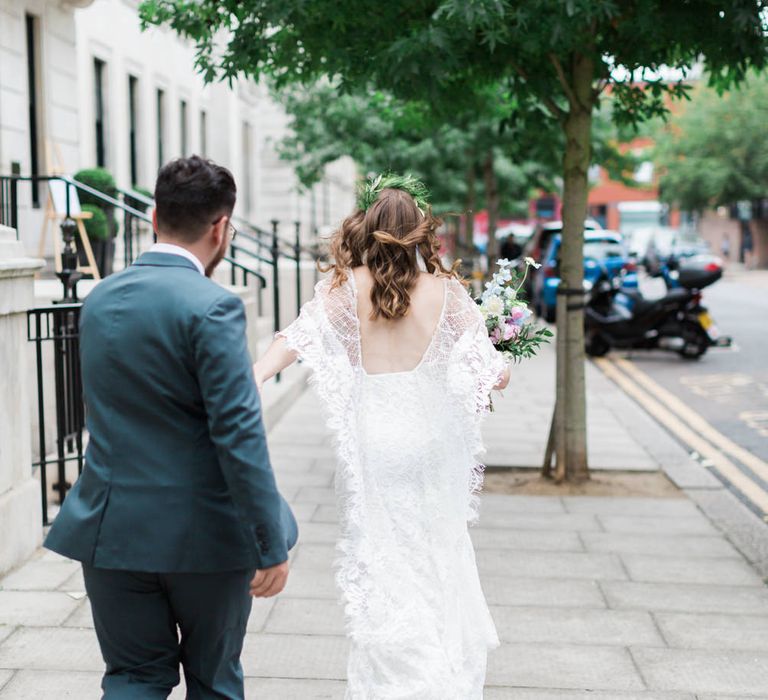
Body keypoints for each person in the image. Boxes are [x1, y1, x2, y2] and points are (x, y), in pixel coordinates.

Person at [45, 156, 298, 699]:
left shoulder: (99, 299)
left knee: (134, 678)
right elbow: (238, 435)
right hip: (203, 539)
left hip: (111, 533)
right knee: (214, 681)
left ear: (155, 215)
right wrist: (268, 541)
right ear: (221, 227)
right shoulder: (214, 308)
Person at [254, 173, 510, 699]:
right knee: (436, 556)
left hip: (378, 445)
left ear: (366, 229)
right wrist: (503, 360)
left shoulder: (346, 290)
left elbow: (294, 340)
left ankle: (394, 678)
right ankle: (439, 678)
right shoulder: (448, 292)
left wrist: (252, 376)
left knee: (388, 561)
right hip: (431, 445)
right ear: (421, 233)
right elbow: (491, 373)